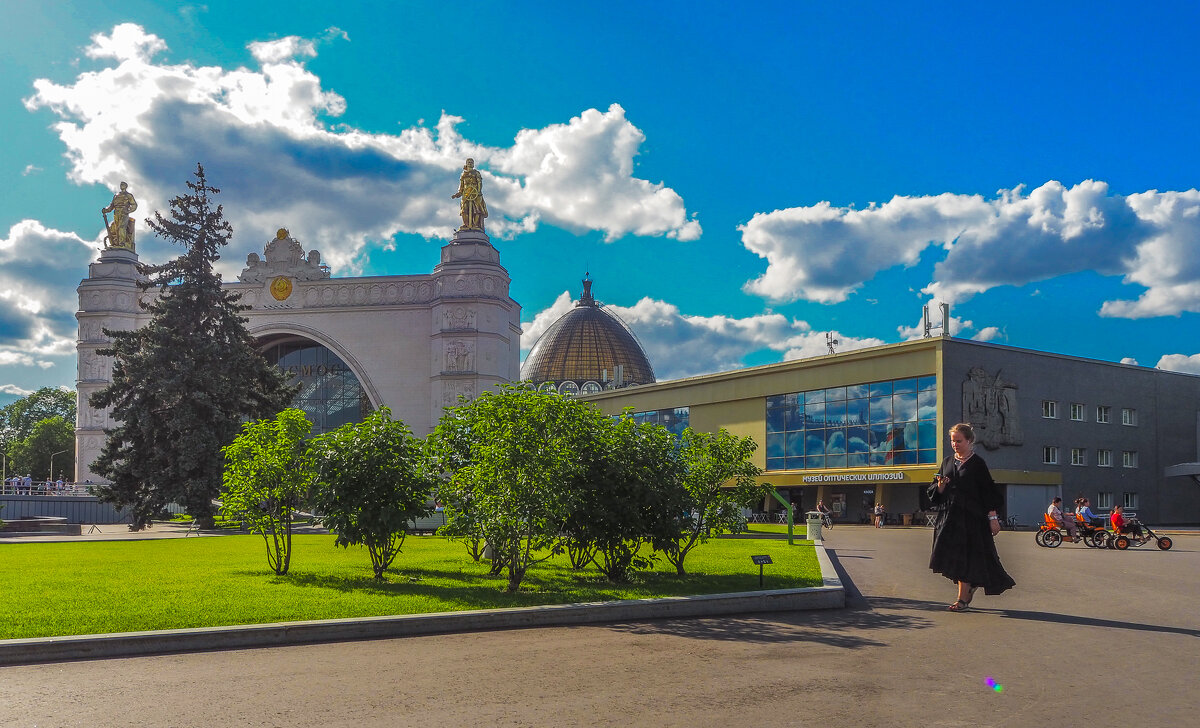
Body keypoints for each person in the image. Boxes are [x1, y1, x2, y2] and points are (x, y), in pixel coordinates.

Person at [928, 422, 1016, 611]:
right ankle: (967, 590)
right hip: (950, 519)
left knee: (968, 557)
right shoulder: (947, 462)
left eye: (959, 441)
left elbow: (988, 493)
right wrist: (940, 486)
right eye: (952, 441)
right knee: (953, 557)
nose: (955, 444)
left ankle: (962, 599)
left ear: (969, 440)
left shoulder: (978, 464)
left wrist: (993, 519)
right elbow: (934, 490)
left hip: (972, 519)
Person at [450, 158, 488, 232]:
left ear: (473, 164)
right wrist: (458, 194)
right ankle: (466, 224)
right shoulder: (463, 174)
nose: (470, 163)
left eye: (471, 162)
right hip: (466, 194)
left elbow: (479, 183)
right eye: (469, 162)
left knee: (477, 210)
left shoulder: (476, 173)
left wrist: (479, 191)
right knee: (464, 209)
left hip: (476, 193)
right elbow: (461, 186)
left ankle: (475, 225)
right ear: (466, 164)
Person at [101, 181, 138, 250]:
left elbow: (134, 205)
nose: (121, 186)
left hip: (124, 213)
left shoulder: (129, 195)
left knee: (122, 227)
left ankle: (122, 243)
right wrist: (105, 210)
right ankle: (117, 243)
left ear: (126, 186)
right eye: (121, 185)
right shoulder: (116, 195)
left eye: (123, 185)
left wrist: (129, 211)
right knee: (116, 229)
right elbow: (111, 206)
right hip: (116, 213)